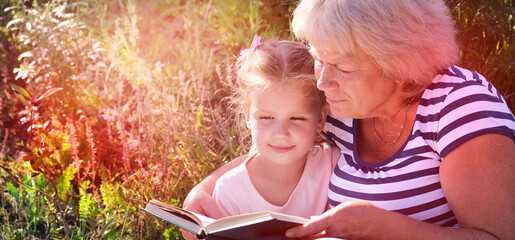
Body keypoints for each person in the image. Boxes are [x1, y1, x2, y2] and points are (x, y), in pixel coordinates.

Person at [184, 1, 515, 239]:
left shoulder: (460, 107)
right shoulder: (342, 106)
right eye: (318, 60)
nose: (322, 82)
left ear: (399, 64)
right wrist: (202, 193)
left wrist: (385, 229)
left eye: (343, 67)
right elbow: (283, 137)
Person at [182, 37, 339, 239]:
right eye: (266, 117)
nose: (281, 132)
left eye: (297, 117)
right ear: (248, 115)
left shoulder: (331, 166)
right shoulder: (231, 190)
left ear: (321, 118)